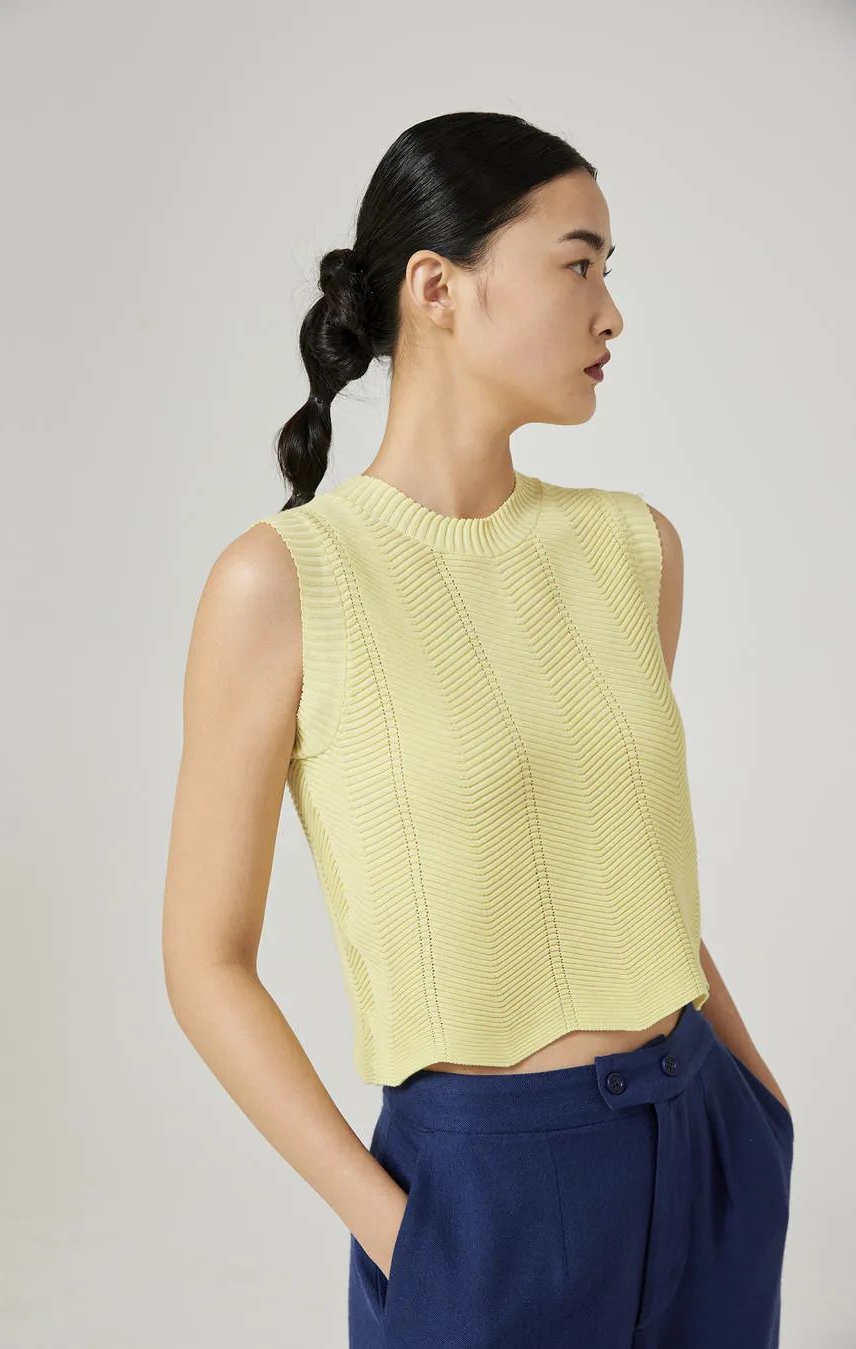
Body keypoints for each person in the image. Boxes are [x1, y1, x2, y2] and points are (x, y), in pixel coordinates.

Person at [162, 111, 794, 1347]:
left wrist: (759, 1111)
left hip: (706, 1139)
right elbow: (204, 960)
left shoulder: (633, 548)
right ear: (439, 288)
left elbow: (629, 872)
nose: (612, 313)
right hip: (486, 1196)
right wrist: (401, 1229)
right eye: (579, 264)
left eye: (609, 270)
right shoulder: (281, 582)